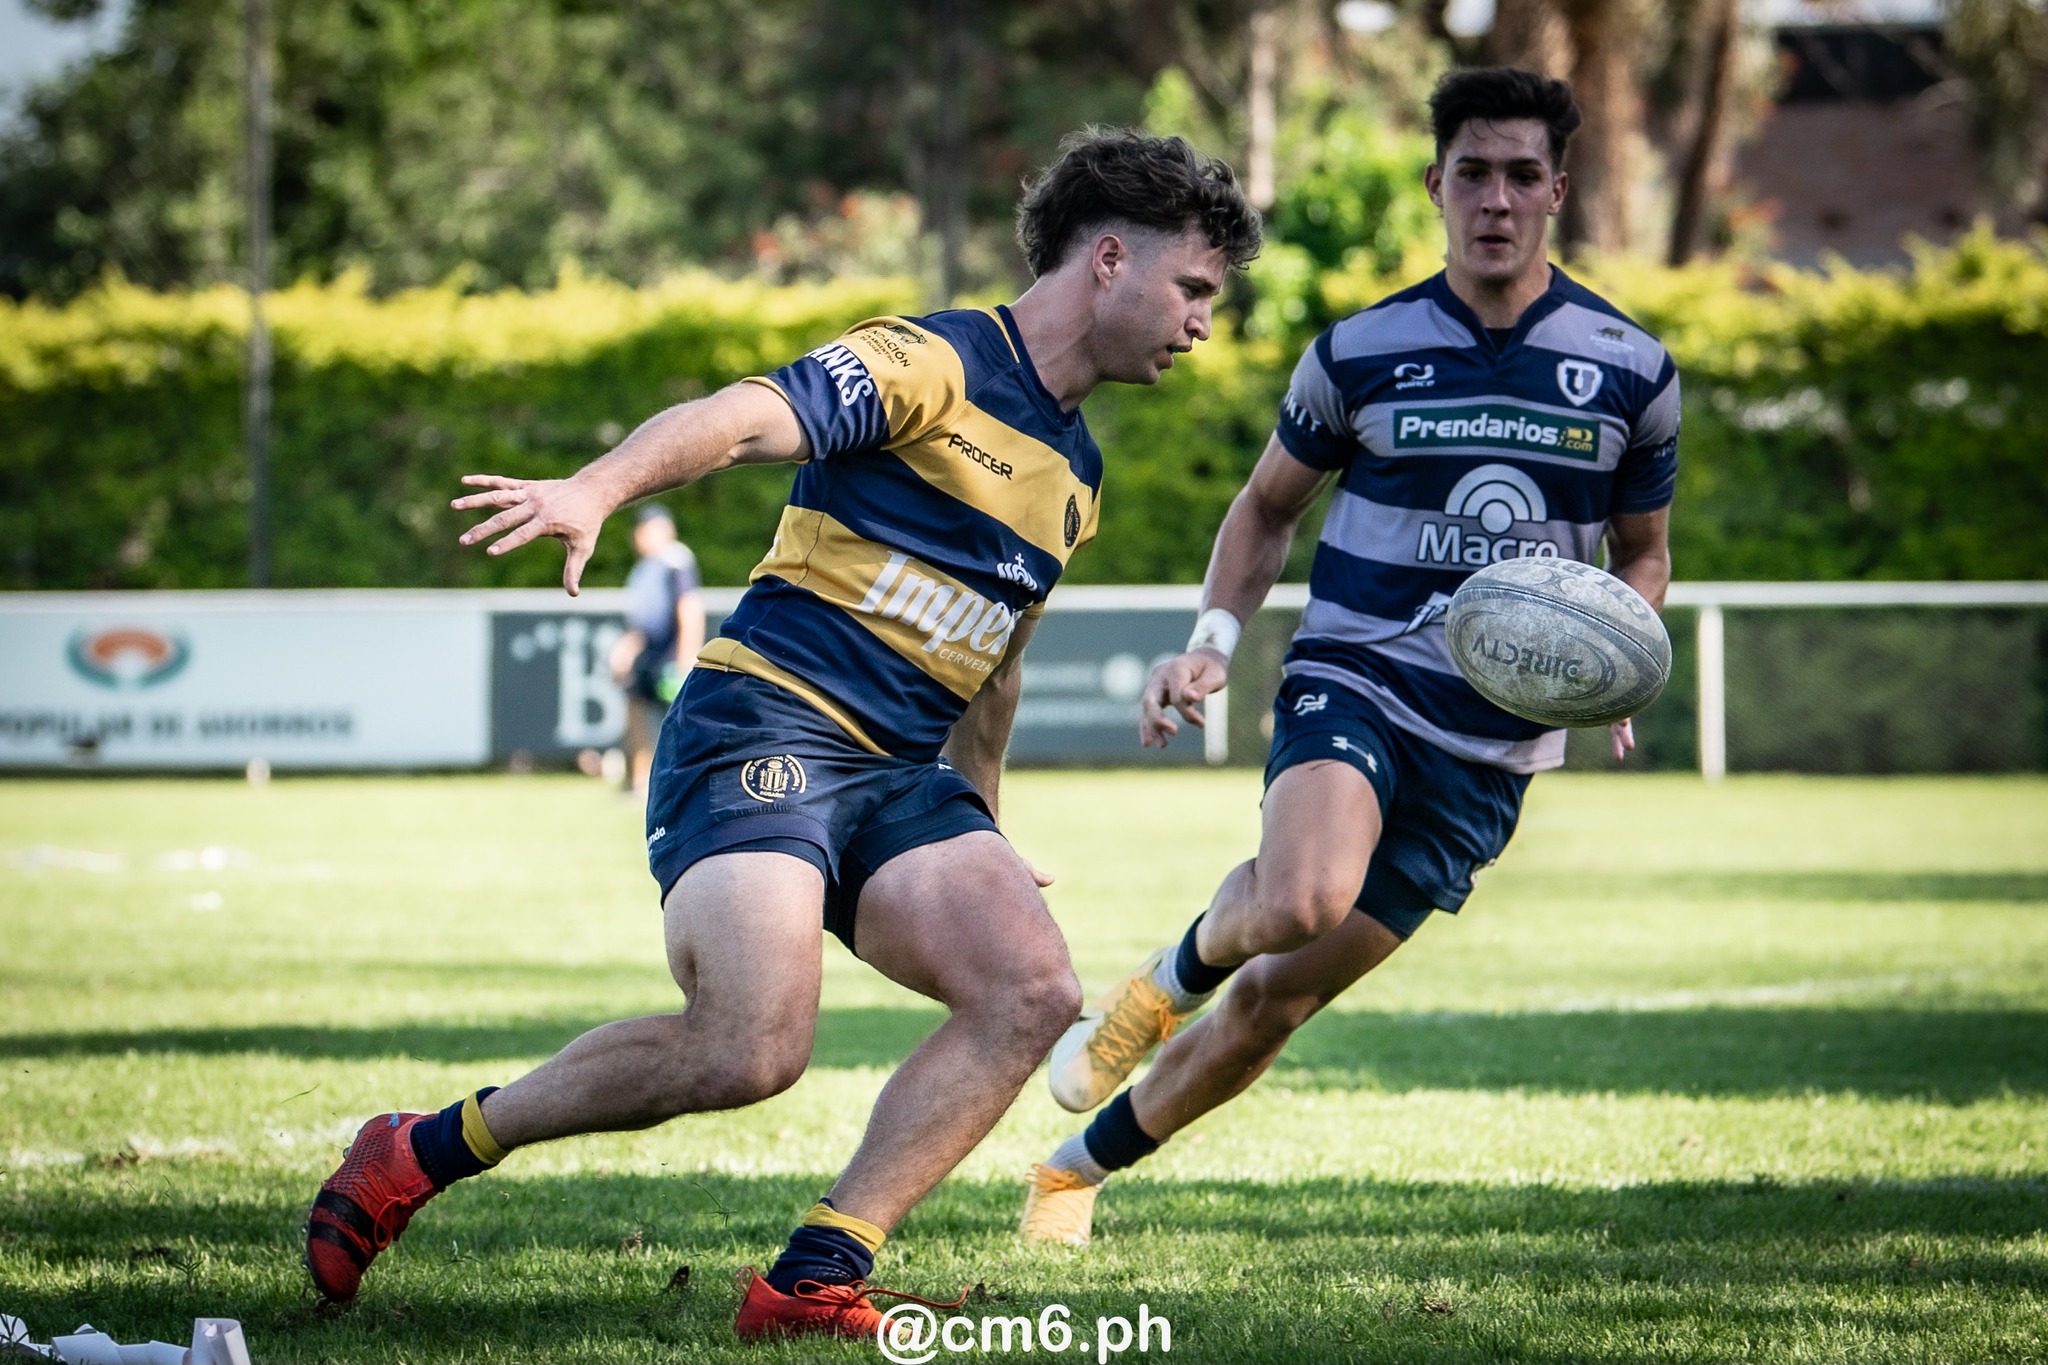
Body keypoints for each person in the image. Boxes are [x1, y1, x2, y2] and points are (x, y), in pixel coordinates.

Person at [301, 129, 1262, 1341]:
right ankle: (417, 1149)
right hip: (766, 721)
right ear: (1111, 259)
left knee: (1029, 990)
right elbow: (748, 417)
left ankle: (812, 1278)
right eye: (1193, 291)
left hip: (899, 776)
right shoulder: (931, 361)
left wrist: (983, 824)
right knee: (748, 1049)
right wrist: (598, 487)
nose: (1199, 327)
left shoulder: (1074, 475)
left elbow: (992, 665)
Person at [1019, 69, 1679, 1245]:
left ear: (1557, 191)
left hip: (1490, 746)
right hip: (1357, 675)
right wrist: (1211, 645)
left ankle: (1071, 1172)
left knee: (1276, 1000)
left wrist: (1620, 660)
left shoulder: (1629, 368)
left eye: (1520, 175)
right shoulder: (1363, 351)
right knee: (1303, 893)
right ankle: (1157, 990)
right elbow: (1264, 510)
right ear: (1434, 185)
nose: (1494, 199)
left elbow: (1642, 556)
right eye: (1470, 173)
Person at [610, 503, 705, 796]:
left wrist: (686, 657)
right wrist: (626, 650)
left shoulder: (675, 560)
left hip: (670, 656)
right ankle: (639, 783)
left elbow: (689, 608)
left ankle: (684, 786)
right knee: (636, 709)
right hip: (648, 655)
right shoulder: (644, 568)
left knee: (677, 724)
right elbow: (643, 620)